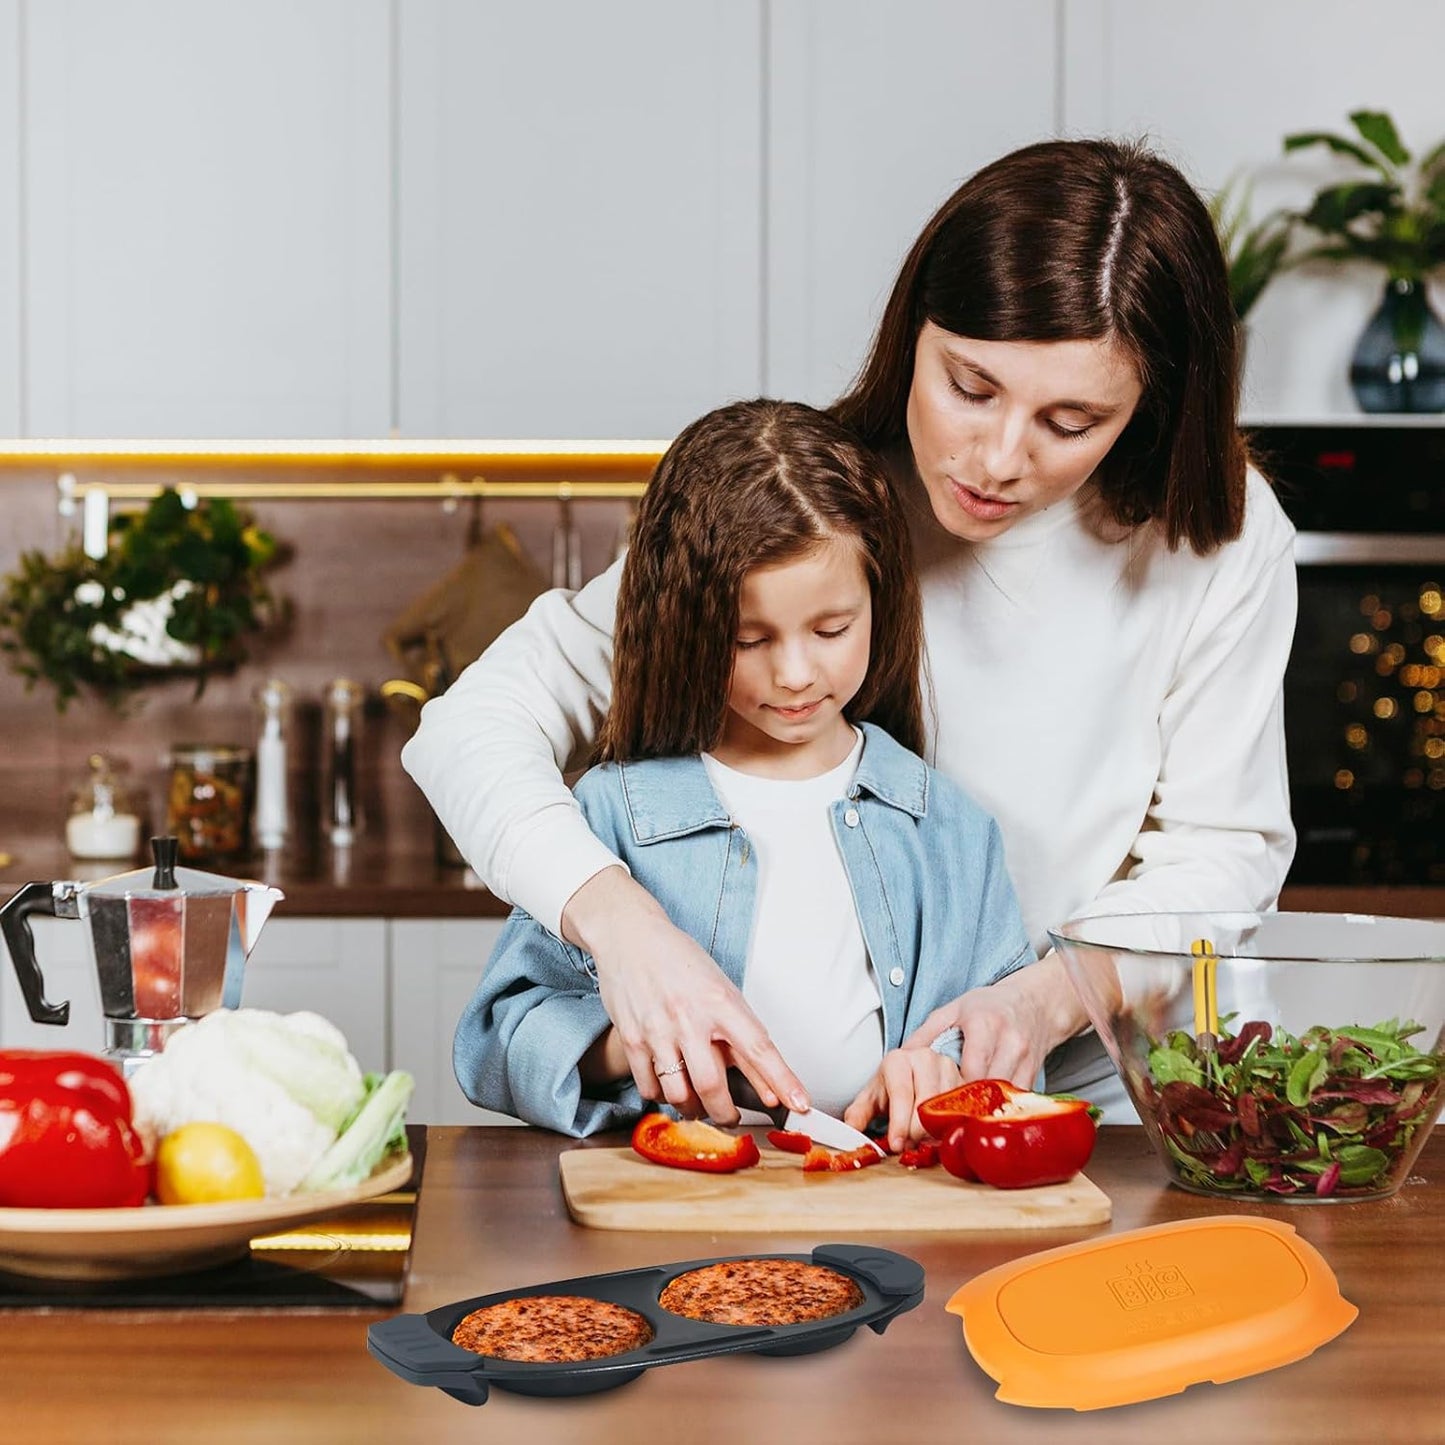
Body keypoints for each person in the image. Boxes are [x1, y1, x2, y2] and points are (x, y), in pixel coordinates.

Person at [404, 137, 1298, 1129]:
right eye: (969, 386)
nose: (998, 457)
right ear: (911, 330)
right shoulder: (806, 513)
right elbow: (471, 726)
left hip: (1097, 1092)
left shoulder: (1219, 535)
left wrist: (1035, 1004)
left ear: (1149, 407)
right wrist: (625, 930)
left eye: (1071, 419)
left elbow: (1220, 853)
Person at [452, 400, 1033, 1142]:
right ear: (689, 631)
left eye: (831, 629)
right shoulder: (612, 813)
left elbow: (1010, 1056)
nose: (794, 673)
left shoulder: (947, 828)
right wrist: (634, 1041)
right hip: (678, 1203)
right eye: (748, 638)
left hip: (890, 1202)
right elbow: (495, 1044)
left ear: (880, 603)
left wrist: (945, 1073)